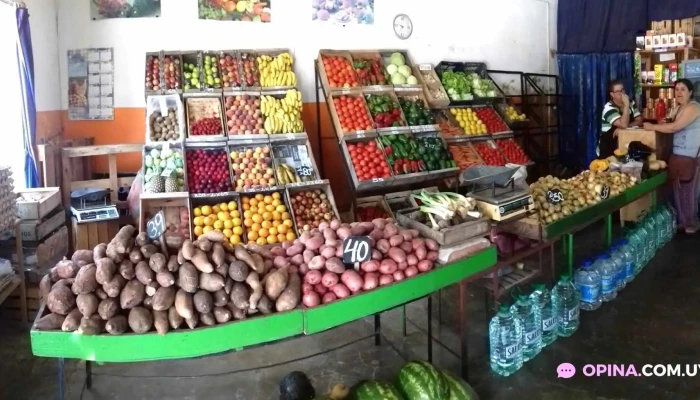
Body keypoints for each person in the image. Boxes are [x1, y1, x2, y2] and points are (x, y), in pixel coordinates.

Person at [644, 79, 700, 234]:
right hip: (678, 157)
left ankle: (691, 223)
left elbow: (675, 127)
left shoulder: (693, 107)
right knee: (676, 192)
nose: (679, 92)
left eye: (683, 89)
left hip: (691, 158)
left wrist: (653, 126)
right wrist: (660, 121)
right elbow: (667, 122)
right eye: (676, 89)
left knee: (688, 192)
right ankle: (682, 221)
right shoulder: (678, 109)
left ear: (690, 92)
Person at [599, 80, 643, 158]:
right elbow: (623, 124)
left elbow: (639, 121)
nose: (621, 93)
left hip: (625, 147)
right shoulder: (609, 108)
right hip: (608, 150)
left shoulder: (631, 102)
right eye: (618, 91)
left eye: (622, 90)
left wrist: (623, 129)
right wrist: (626, 105)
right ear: (612, 94)